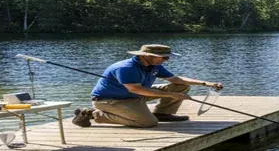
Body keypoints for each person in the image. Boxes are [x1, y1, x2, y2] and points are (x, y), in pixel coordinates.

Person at [72, 44, 223, 128]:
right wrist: (172, 95)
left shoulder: (154, 65)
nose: (166, 60)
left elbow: (175, 79)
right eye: (163, 57)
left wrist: (206, 83)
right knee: (147, 123)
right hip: (110, 100)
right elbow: (135, 89)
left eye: (167, 57)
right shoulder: (126, 68)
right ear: (145, 56)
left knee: (179, 86)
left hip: (135, 96)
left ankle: (163, 113)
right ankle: (92, 114)